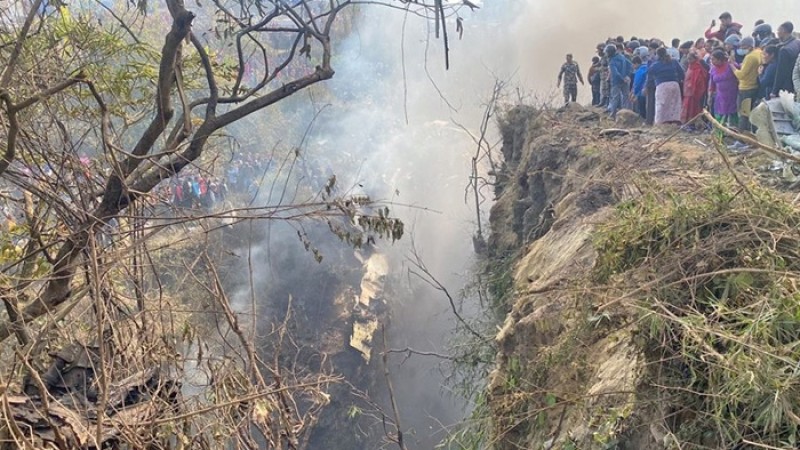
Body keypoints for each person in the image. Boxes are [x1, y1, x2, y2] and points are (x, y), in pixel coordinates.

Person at [647, 47, 685, 124]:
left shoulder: (655, 65)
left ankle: (660, 123)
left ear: (657, 55)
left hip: (662, 86)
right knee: (674, 104)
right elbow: (682, 73)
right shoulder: (674, 61)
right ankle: (675, 121)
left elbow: (649, 77)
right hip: (674, 85)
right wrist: (678, 79)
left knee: (661, 105)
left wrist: (647, 87)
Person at [733, 36, 761, 132]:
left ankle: (742, 139)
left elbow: (741, 75)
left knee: (743, 114)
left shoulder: (750, 57)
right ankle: (749, 136)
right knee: (750, 114)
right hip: (754, 87)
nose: (741, 49)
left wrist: (733, 67)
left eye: (743, 47)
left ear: (749, 46)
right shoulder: (758, 52)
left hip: (746, 88)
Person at [709, 49, 739, 128]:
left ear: (720, 59)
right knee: (720, 114)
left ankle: (735, 132)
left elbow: (740, 74)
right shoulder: (713, 69)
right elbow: (712, 84)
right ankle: (720, 133)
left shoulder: (731, 66)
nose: (712, 61)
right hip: (720, 96)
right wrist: (710, 95)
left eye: (713, 59)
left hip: (732, 95)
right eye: (711, 59)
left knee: (733, 114)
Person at [771, 22, 800, 98]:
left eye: (778, 30)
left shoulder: (784, 50)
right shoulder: (797, 42)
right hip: (796, 83)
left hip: (787, 86)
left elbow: (780, 72)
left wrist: (774, 91)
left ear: (783, 31)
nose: (777, 33)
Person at [681, 52, 709, 125]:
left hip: (695, 92)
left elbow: (699, 80)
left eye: (690, 59)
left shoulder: (698, 67)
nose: (688, 60)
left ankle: (694, 123)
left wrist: (692, 86)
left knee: (694, 107)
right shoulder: (690, 66)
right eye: (688, 59)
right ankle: (687, 123)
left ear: (695, 59)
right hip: (688, 92)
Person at [607, 44, 633, 118]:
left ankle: (612, 114)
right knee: (626, 96)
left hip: (616, 81)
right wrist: (627, 76)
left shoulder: (612, 61)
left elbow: (615, 73)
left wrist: (622, 78)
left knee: (615, 97)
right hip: (625, 80)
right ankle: (626, 113)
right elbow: (630, 65)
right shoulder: (622, 57)